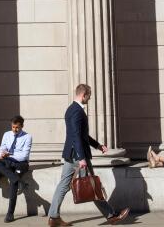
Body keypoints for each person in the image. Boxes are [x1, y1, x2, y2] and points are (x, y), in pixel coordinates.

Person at [47, 84, 129, 227]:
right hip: (77, 156)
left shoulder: (72, 109)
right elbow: (76, 136)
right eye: (89, 96)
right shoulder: (77, 111)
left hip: (72, 155)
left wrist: (97, 145)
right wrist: (81, 158)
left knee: (63, 186)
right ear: (83, 94)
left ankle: (53, 217)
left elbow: (82, 135)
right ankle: (112, 216)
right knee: (92, 185)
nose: (89, 98)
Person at [0, 115, 33, 223]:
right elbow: (1, 150)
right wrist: (3, 154)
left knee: (13, 183)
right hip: (8, 161)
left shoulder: (27, 137)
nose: (14, 130)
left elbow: (24, 156)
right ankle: (16, 179)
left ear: (22, 126)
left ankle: (10, 214)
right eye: (13, 127)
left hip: (20, 164)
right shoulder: (7, 135)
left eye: (17, 127)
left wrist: (9, 155)